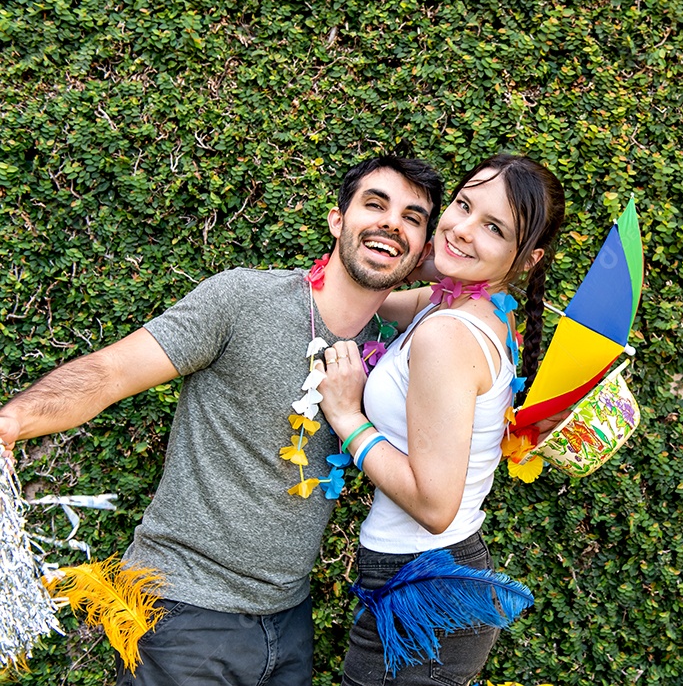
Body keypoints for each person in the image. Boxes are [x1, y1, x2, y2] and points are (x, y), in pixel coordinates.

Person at [0, 155, 444, 686]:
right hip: (185, 613)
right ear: (337, 220)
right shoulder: (243, 299)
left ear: (421, 251)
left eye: (413, 219)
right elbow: (112, 371)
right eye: (375, 205)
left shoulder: (394, 352)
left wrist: (457, 263)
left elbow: (470, 297)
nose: (392, 223)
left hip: (289, 619)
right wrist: (12, 421)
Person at [316, 153, 566, 686]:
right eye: (463, 205)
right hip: (428, 574)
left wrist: (346, 416)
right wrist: (429, 257)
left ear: (526, 260)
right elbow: (377, 296)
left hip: (423, 580)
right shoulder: (463, 306)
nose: (462, 228)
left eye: (494, 228)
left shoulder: (448, 336)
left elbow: (434, 505)